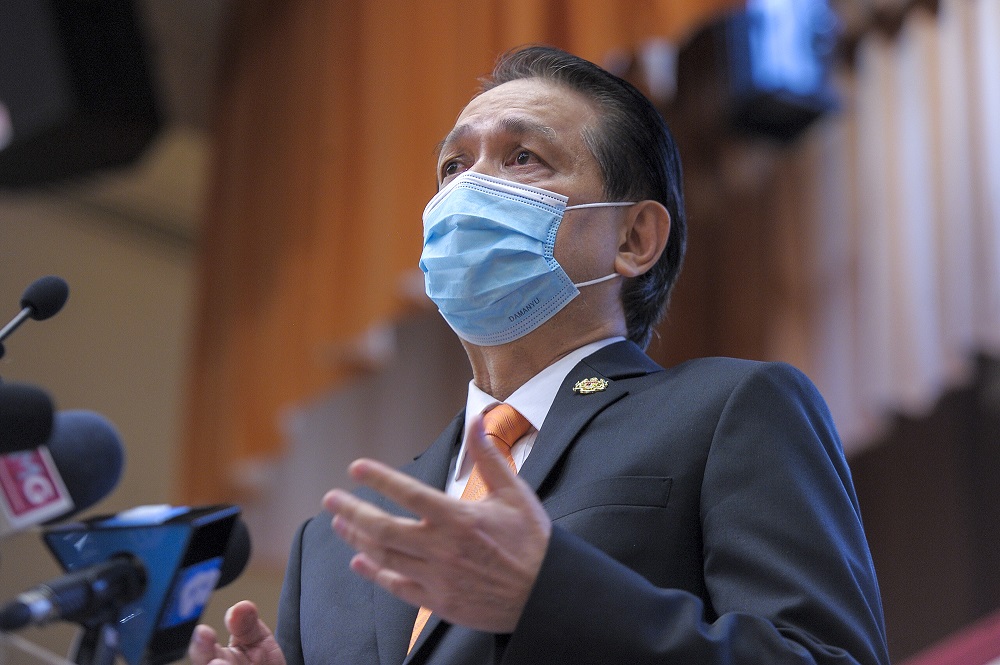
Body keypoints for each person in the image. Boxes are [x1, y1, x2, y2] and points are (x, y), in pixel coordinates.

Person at [189, 45, 890, 665]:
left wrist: (550, 593)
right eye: (453, 166)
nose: (468, 190)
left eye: (523, 157)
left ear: (634, 238)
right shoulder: (336, 542)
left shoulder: (727, 411)